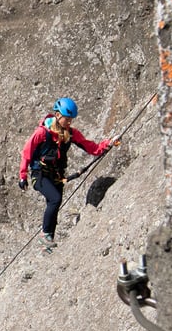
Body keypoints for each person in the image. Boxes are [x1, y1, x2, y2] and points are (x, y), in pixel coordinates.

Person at [17, 97, 117, 250]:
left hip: (56, 176)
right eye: (67, 119)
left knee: (55, 205)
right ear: (57, 116)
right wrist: (23, 176)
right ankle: (45, 235)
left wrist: (107, 144)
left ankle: (48, 242)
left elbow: (90, 147)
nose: (69, 122)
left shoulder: (71, 134)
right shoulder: (42, 133)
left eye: (71, 119)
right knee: (55, 199)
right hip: (40, 175)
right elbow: (27, 152)